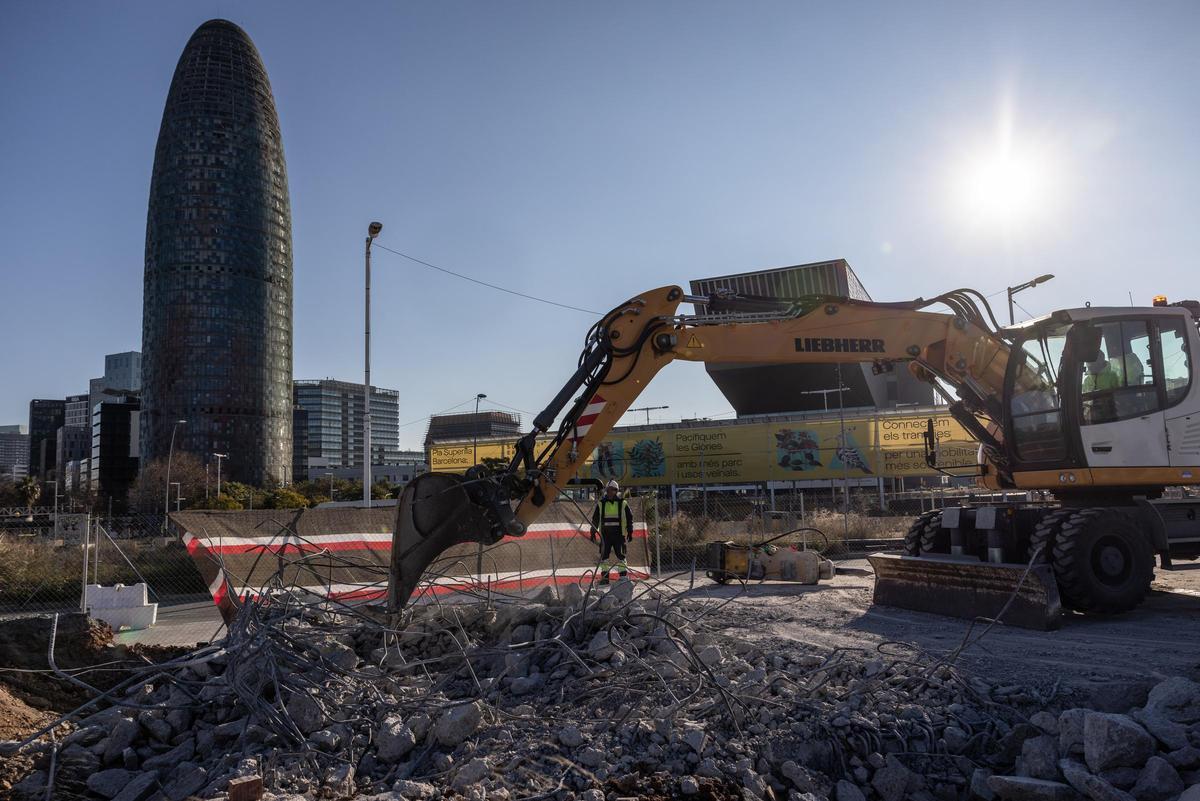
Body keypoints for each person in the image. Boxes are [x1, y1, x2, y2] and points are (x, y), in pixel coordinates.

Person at [590, 479, 633, 585]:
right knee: (604, 557)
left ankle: (623, 578)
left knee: (621, 556)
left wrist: (630, 531)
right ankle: (605, 578)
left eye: (612, 490)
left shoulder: (623, 503)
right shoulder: (601, 504)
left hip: (619, 535)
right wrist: (593, 531)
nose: (610, 492)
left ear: (616, 490)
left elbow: (629, 518)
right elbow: (595, 519)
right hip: (605, 536)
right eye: (608, 490)